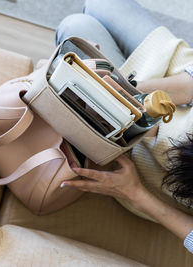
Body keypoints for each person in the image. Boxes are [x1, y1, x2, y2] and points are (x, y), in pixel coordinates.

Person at [56, 0, 193, 253]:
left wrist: (136, 193)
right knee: (101, 4)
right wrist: (131, 92)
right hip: (173, 88)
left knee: (74, 27)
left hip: (162, 173)